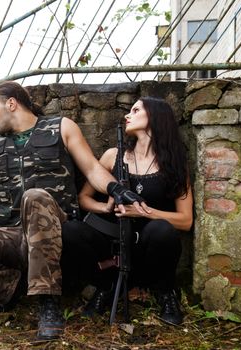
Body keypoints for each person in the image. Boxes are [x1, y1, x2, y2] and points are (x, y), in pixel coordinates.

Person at [0, 81, 147, 340]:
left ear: (11, 103)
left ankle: (48, 302)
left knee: (34, 196)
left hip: (55, 231)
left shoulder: (60, 127)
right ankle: (11, 290)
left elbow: (92, 169)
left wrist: (115, 189)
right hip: (12, 235)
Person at [61, 97, 193, 325]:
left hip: (146, 255)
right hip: (110, 252)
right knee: (70, 230)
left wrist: (144, 213)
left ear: (154, 116)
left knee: (163, 231)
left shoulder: (175, 165)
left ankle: (165, 293)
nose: (127, 115)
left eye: (135, 110)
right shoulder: (113, 156)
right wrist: (105, 206)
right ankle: (105, 288)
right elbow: (83, 198)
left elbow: (186, 220)